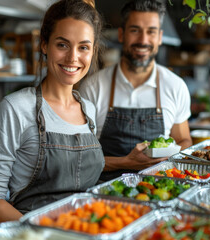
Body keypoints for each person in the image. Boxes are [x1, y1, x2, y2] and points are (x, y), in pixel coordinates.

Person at [0, 0, 105, 224]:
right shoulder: (15, 108)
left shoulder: (90, 110)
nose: (73, 57)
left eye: (83, 47)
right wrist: (47, 233)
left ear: (93, 52)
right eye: (62, 45)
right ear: (44, 45)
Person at [79, 0, 192, 181]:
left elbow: (184, 141)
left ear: (160, 37)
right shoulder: (93, 87)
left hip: (158, 191)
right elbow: (80, 158)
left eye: (151, 32)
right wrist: (126, 162)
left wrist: (165, 161)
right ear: (122, 34)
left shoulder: (175, 86)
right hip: (103, 194)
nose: (143, 40)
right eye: (135, 30)